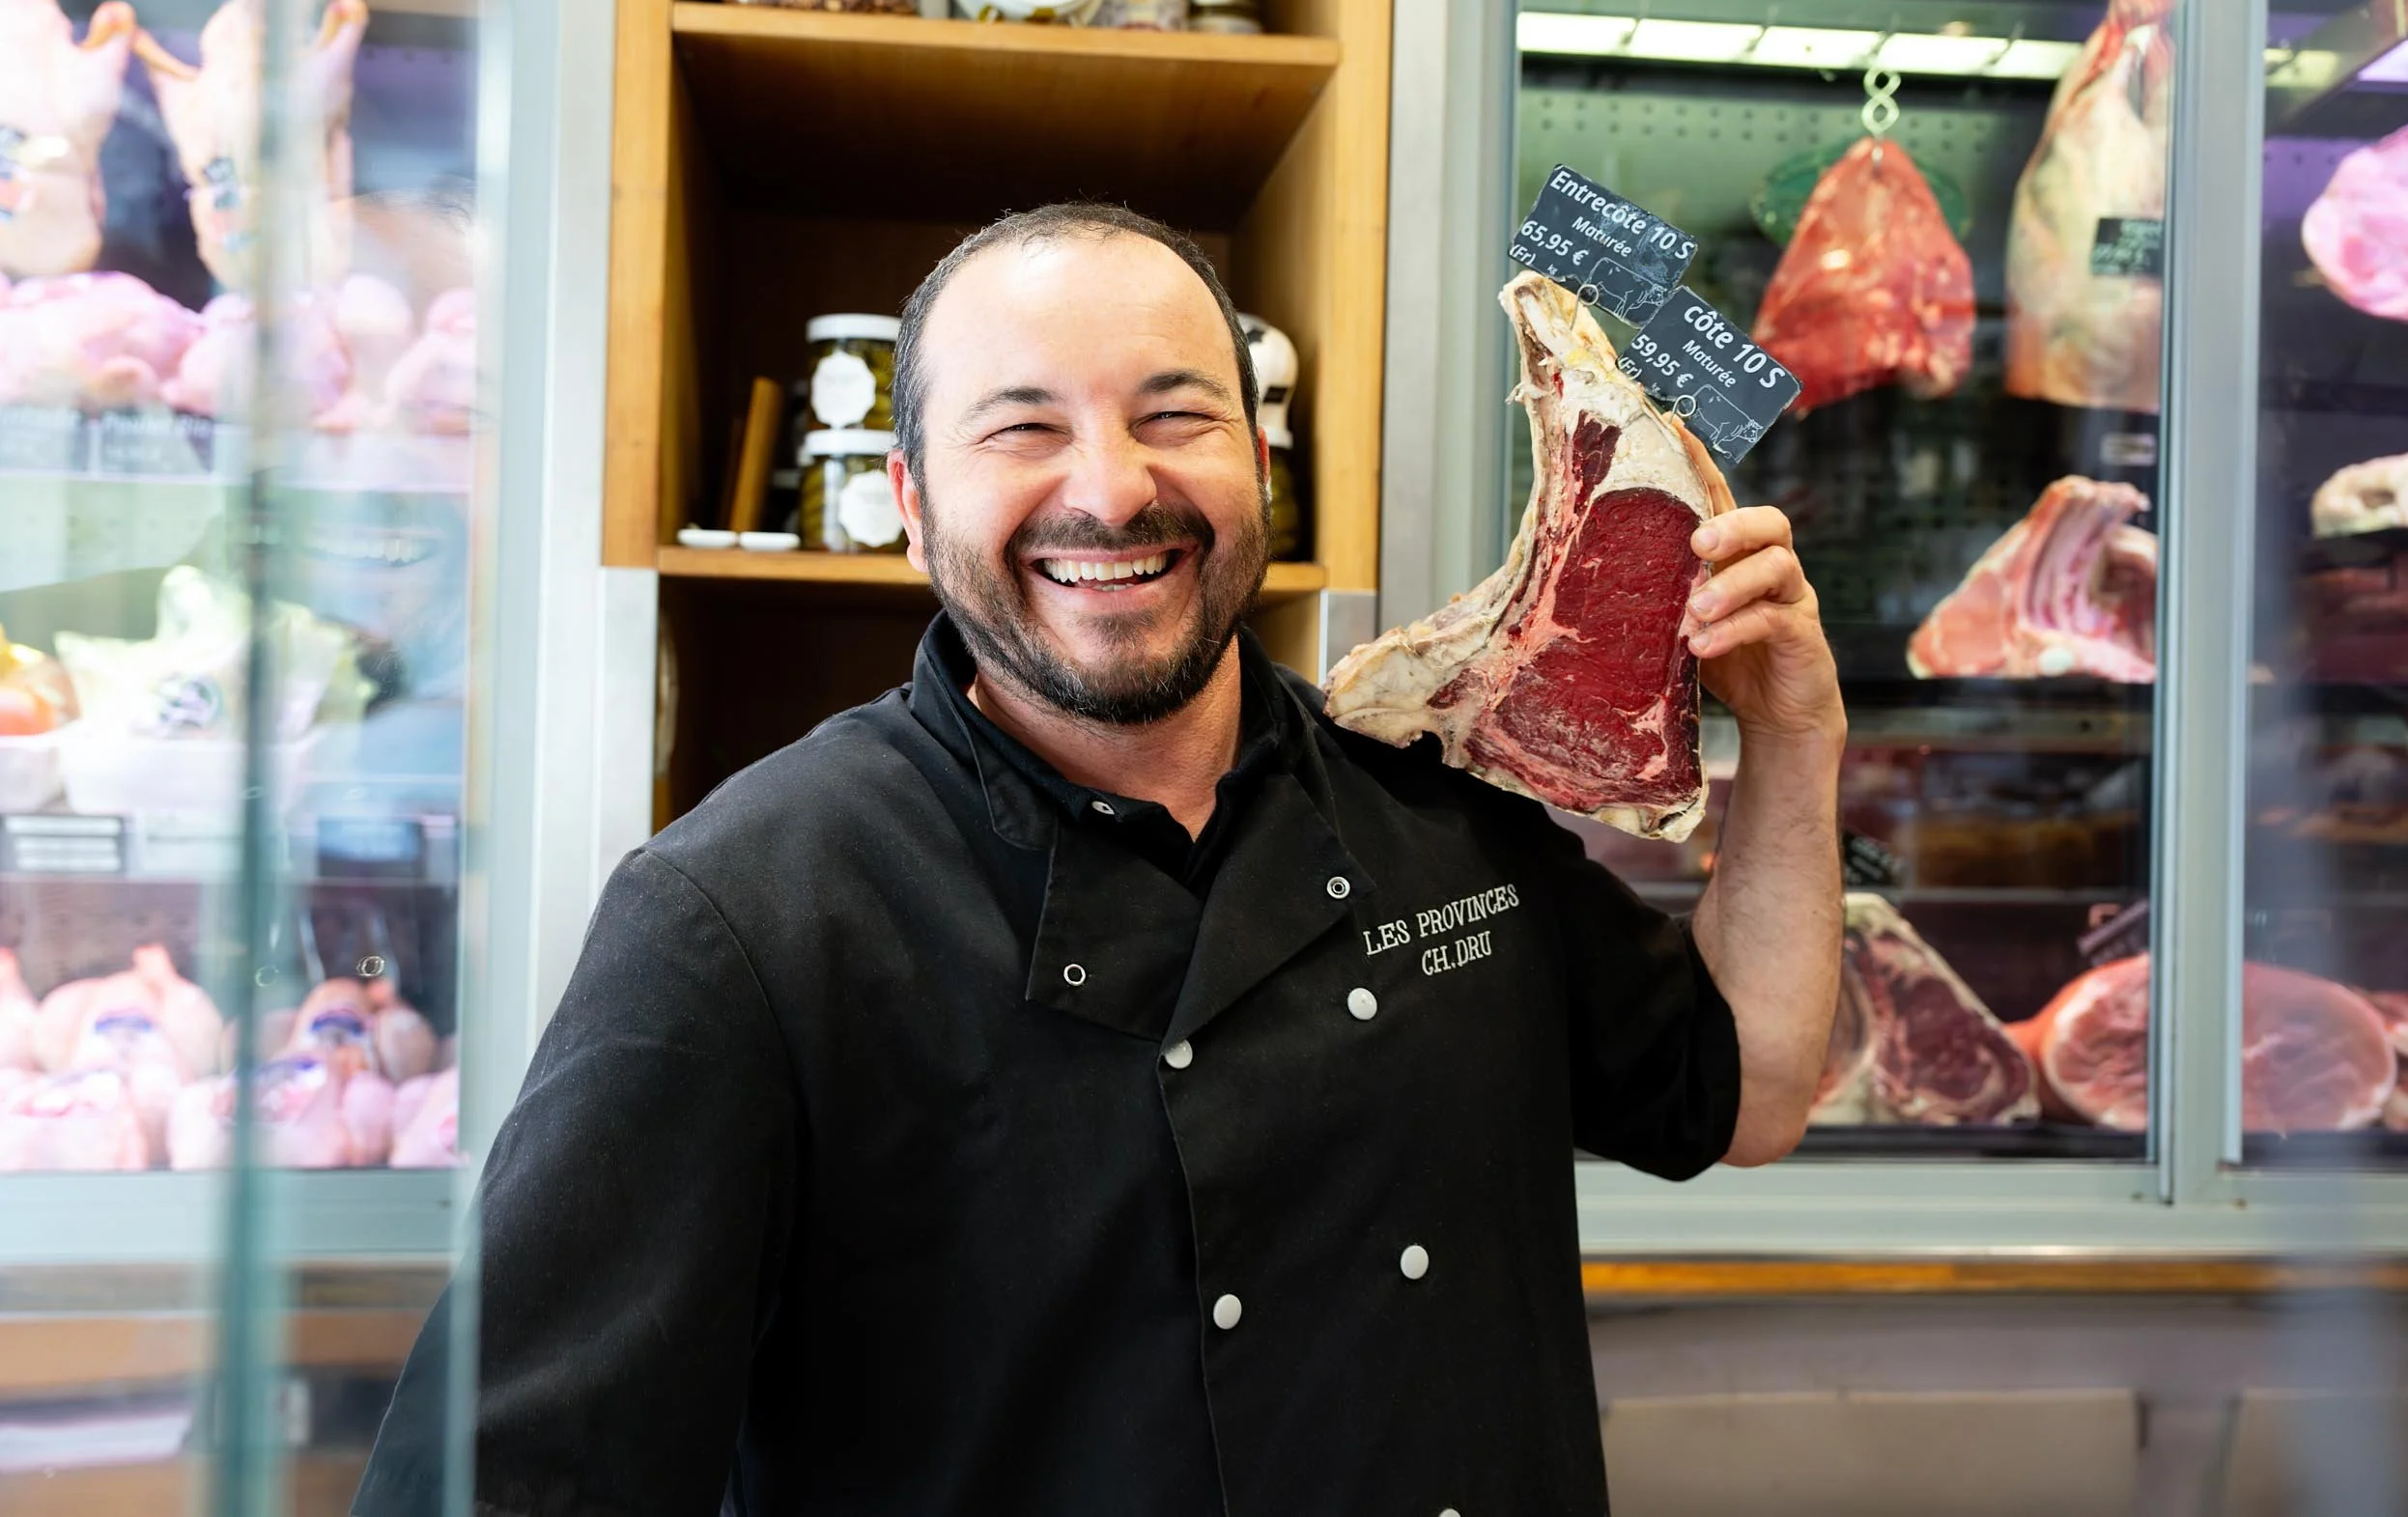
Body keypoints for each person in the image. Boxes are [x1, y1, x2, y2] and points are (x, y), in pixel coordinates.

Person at [354, 203, 1846, 1517]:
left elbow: (1753, 1092)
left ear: (1260, 458)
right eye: (1021, 427)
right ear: (913, 494)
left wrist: (1795, 739)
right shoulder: (743, 913)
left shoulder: (1434, 806)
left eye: (1177, 414)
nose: (1114, 489)